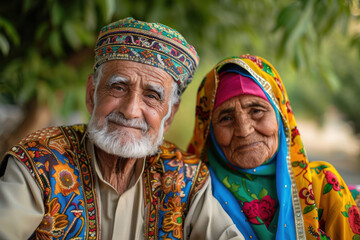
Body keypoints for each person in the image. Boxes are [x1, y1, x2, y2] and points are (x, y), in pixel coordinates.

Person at [0, 18, 244, 240]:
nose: (131, 110)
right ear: (91, 95)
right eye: (118, 88)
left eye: (151, 96)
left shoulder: (185, 179)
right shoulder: (39, 160)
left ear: (169, 115)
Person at [187, 54, 360, 239]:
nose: (244, 131)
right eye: (226, 118)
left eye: (257, 111)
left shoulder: (323, 187)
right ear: (210, 131)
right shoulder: (194, 194)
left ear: (281, 117)